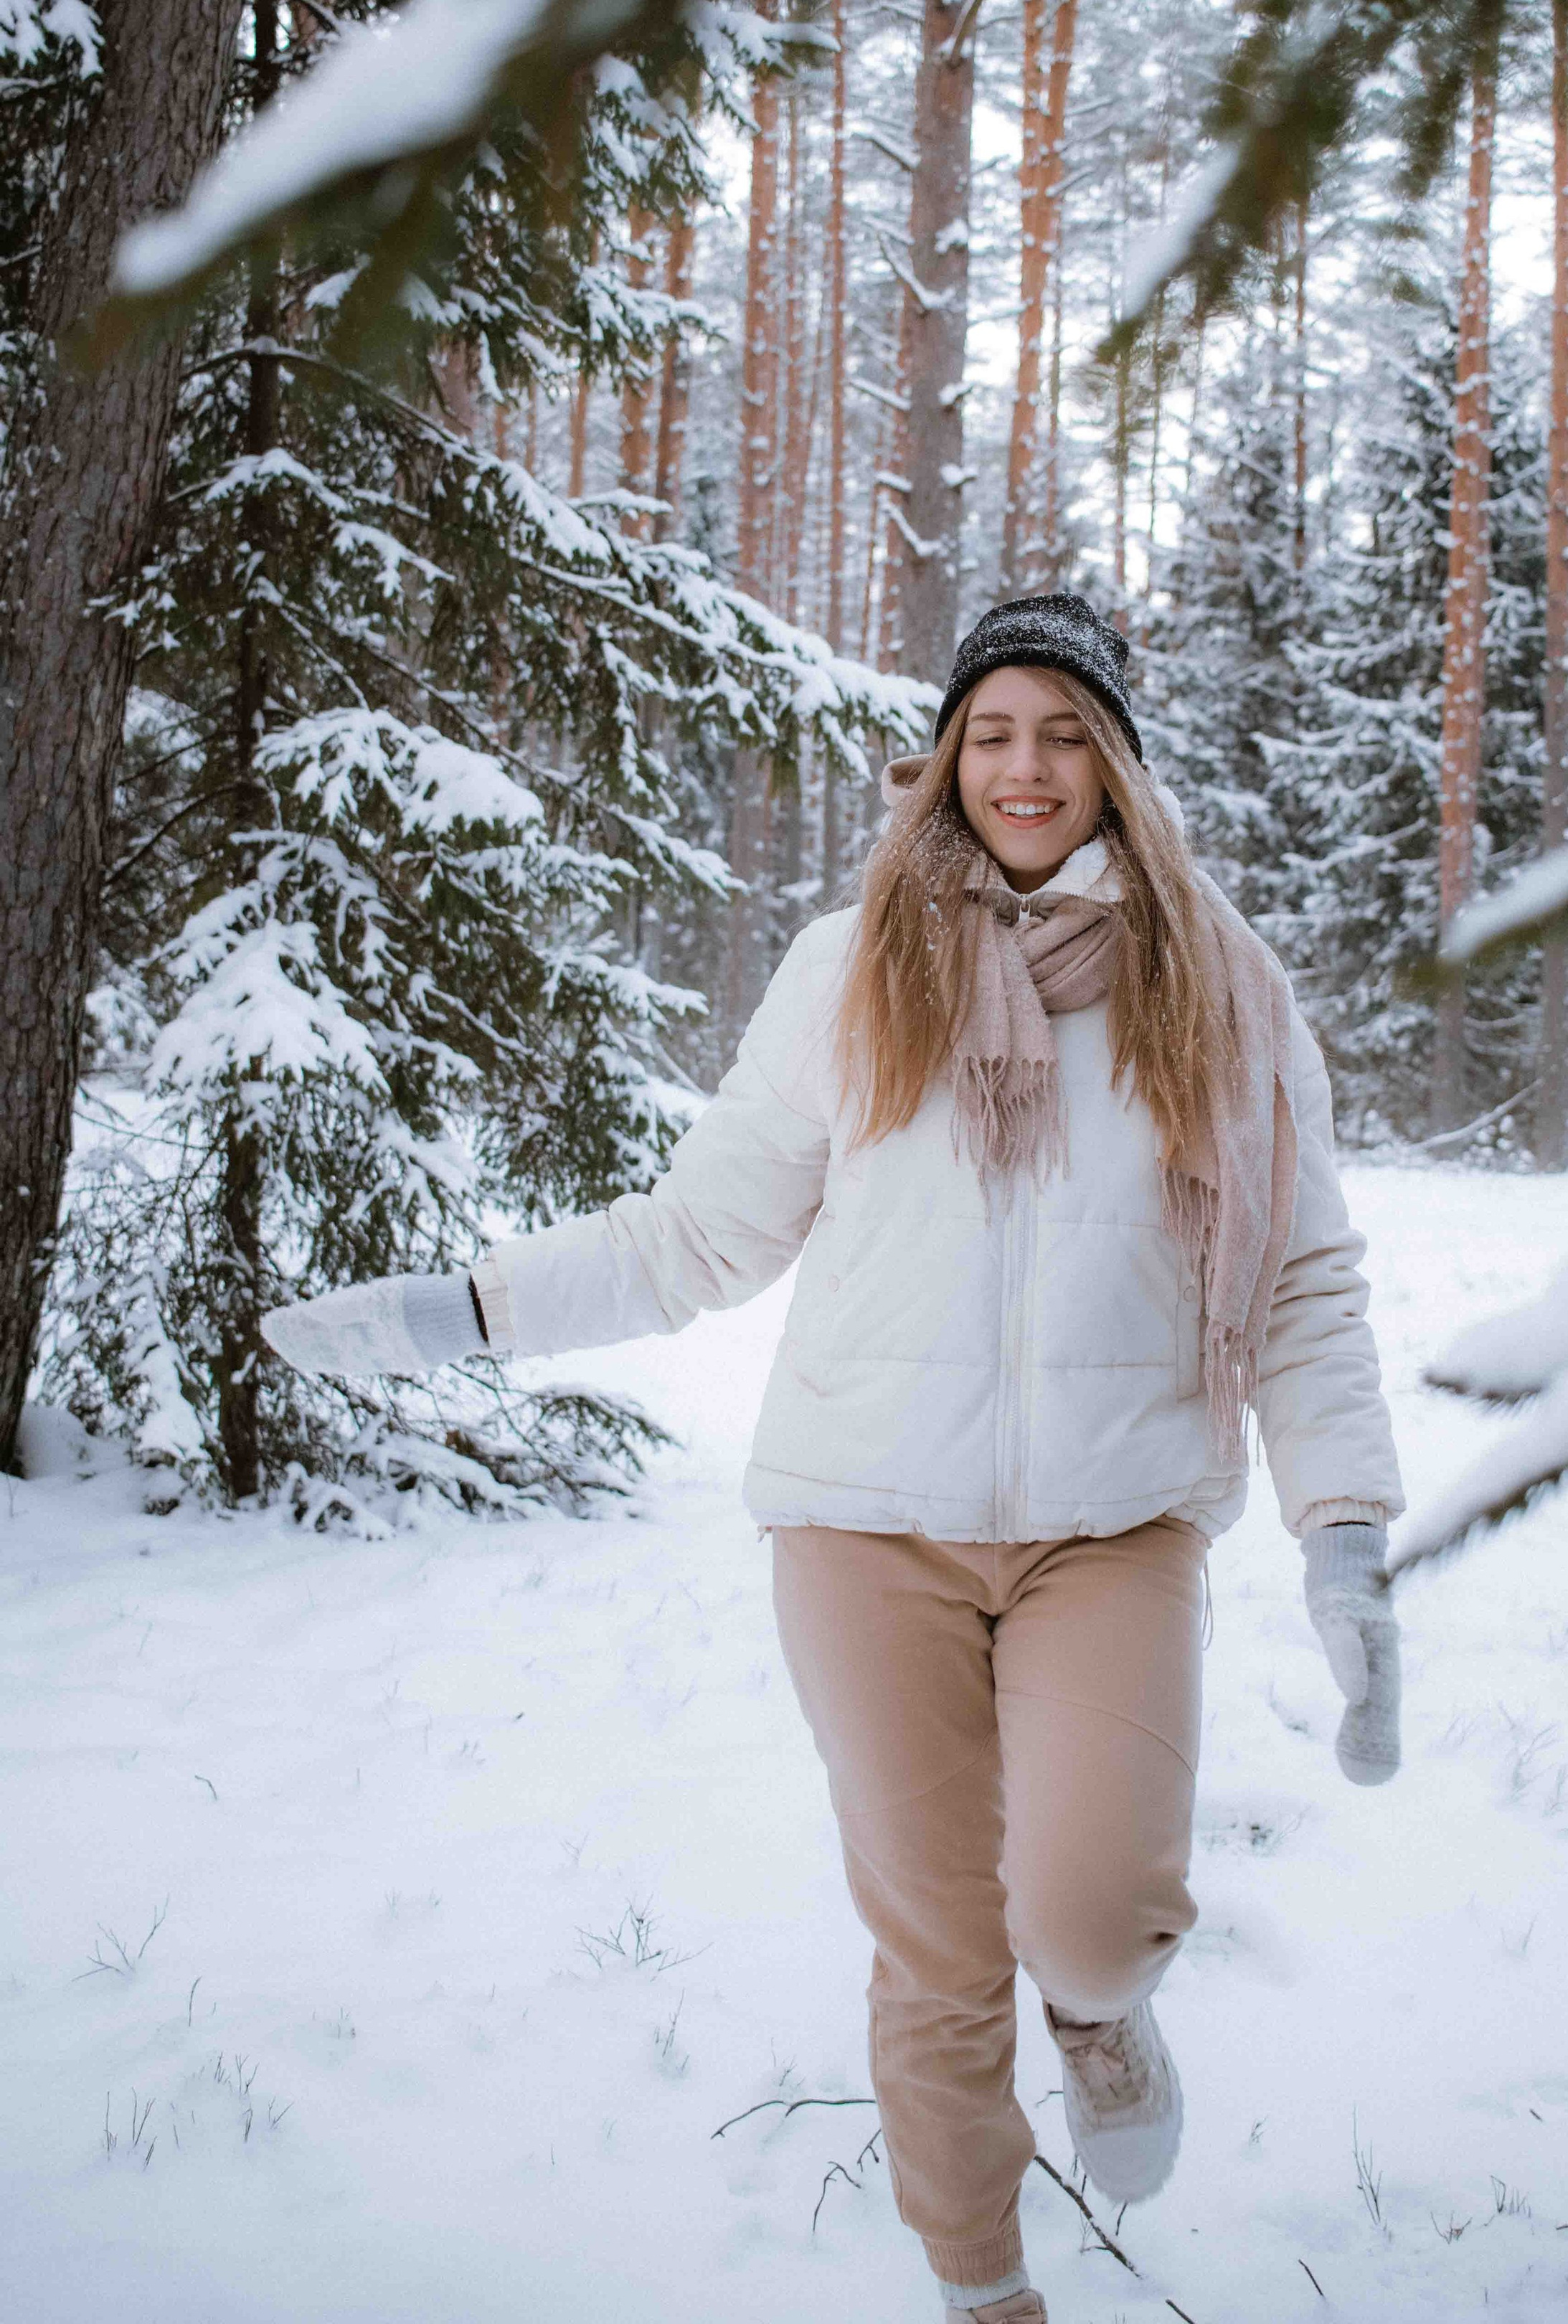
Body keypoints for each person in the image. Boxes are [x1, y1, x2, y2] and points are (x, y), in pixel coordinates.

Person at [264, 591, 1404, 2324]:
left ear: (1117, 763)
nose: (1024, 768)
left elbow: (1299, 1276)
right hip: (865, 1531)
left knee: (1088, 1916)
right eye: (991, 732)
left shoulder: (1219, 983)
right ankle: (982, 2286)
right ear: (946, 757)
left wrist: (1344, 1536)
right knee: (937, 1951)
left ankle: (1099, 2015)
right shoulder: (852, 963)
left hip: (1112, 1526)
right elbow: (692, 1239)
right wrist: (460, 1312)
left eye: (1064, 733)